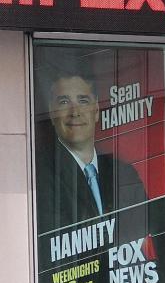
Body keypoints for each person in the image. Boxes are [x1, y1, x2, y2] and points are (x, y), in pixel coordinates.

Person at [36, 70, 147, 232]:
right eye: (64, 102)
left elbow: (151, 228)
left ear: (96, 110)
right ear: (52, 114)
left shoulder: (123, 173)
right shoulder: (40, 178)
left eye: (83, 101)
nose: (75, 112)